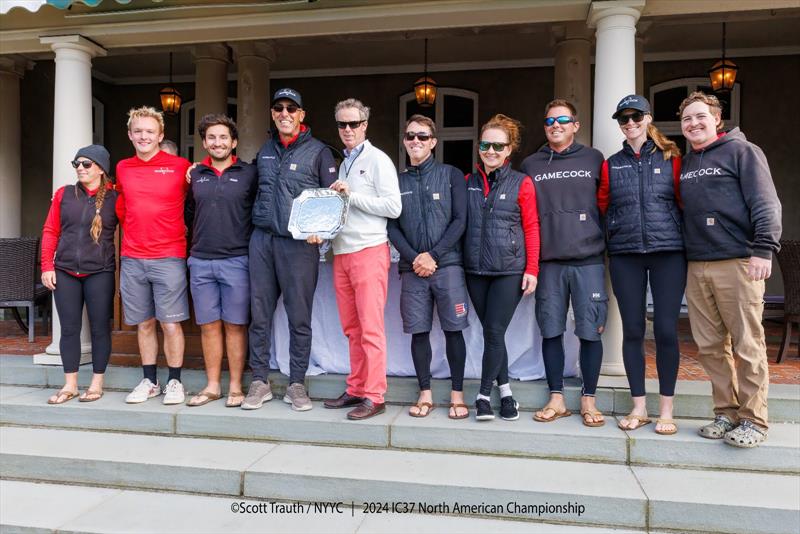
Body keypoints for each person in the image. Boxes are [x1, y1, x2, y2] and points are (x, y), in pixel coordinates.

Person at [678, 91, 781, 448]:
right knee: (709, 347)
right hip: (698, 264)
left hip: (738, 261)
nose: (693, 123)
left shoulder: (742, 152)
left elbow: (765, 202)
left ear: (717, 119)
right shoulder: (689, 162)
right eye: (687, 119)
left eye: (700, 116)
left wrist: (763, 250)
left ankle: (754, 420)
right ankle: (726, 412)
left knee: (747, 344)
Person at [244, 88, 339, 411]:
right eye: (279, 108)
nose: (285, 113)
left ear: (302, 115)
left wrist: (321, 233)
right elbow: (249, 189)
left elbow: (332, 200)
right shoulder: (265, 150)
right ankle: (259, 381)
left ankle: (297, 383)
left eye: (291, 109)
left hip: (299, 246)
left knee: (299, 317)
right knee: (259, 315)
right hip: (262, 240)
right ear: (273, 114)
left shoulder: (319, 152)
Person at [597, 95, 685, 435]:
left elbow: (683, 202)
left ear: (647, 118)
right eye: (623, 118)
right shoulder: (610, 164)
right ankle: (639, 406)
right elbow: (603, 206)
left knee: (664, 330)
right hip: (625, 254)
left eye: (635, 117)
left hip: (668, 252)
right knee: (632, 330)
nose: (629, 123)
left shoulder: (671, 158)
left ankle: (666, 408)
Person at [521, 99, 606, 427]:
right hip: (550, 262)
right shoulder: (531, 164)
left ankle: (589, 400)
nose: (555, 125)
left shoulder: (594, 159)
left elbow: (606, 204)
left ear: (575, 125)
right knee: (551, 331)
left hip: (589, 260)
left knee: (590, 332)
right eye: (549, 121)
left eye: (562, 120)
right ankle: (556, 398)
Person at [321, 98, 402, 420]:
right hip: (342, 251)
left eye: (354, 123)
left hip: (369, 250)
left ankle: (375, 394)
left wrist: (350, 195)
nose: (348, 129)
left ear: (365, 125)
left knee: (370, 328)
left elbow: (393, 207)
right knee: (352, 328)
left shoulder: (378, 159)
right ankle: (356, 387)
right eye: (342, 124)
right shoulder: (344, 162)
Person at [387, 114, 469, 419]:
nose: (416, 141)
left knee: (453, 331)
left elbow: (460, 220)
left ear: (433, 142)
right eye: (410, 136)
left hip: (447, 266)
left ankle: (457, 396)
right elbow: (392, 227)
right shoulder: (397, 181)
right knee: (418, 333)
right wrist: (415, 258)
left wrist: (433, 255)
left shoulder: (451, 175)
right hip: (413, 271)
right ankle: (425, 393)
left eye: (422, 136)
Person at [464, 114, 539, 422]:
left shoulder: (522, 183)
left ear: (509, 150)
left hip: (509, 270)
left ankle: (483, 395)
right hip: (475, 270)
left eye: (498, 145)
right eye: (485, 144)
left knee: (494, 330)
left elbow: (531, 226)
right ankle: (506, 392)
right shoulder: (468, 183)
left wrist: (532, 268)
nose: (491, 150)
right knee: (493, 334)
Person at [116, 106, 192, 405]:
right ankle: (149, 380)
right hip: (133, 256)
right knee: (144, 322)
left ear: (160, 135)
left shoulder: (180, 166)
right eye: (138, 131)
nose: (144, 136)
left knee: (170, 323)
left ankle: (175, 381)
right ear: (130, 135)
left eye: (150, 131)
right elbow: (118, 203)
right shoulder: (123, 167)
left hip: (169, 255)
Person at [184, 114, 257, 408]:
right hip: (200, 260)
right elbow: (188, 212)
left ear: (234, 142)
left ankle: (237, 387)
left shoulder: (249, 173)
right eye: (212, 138)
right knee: (209, 326)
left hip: (237, 259)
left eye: (223, 137)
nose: (218, 142)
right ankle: (213, 385)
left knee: (235, 325)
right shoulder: (196, 175)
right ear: (204, 142)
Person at [41, 145, 118, 404]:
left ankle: (96, 383)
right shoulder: (64, 194)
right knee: (70, 329)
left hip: (100, 271)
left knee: (99, 329)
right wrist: (46, 266)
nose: (80, 169)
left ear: (100, 168)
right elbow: (51, 231)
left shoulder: (115, 198)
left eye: (86, 164)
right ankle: (70, 384)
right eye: (77, 164)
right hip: (64, 271)